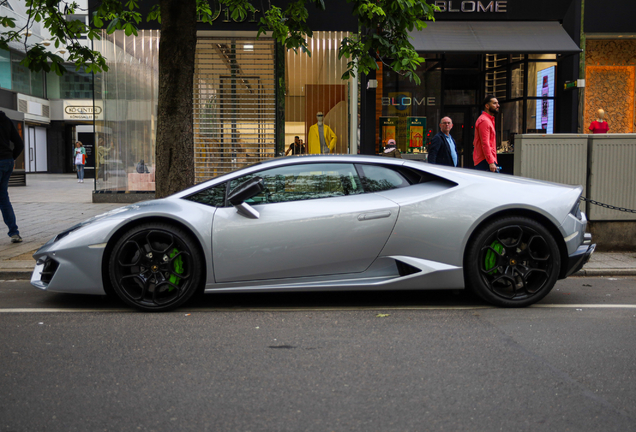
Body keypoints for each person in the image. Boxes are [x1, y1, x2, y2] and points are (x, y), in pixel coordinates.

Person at [0, 110, 25, 243]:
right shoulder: (6, 120)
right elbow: (19, 144)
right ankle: (14, 232)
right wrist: (11, 158)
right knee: (3, 198)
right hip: (7, 162)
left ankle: (14, 232)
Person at [473, 95, 500, 172]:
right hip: (485, 161)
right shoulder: (484, 121)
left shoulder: (488, 120)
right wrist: (491, 162)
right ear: (487, 106)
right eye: (494, 103)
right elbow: (485, 143)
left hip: (486, 160)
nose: (498, 105)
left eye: (497, 103)